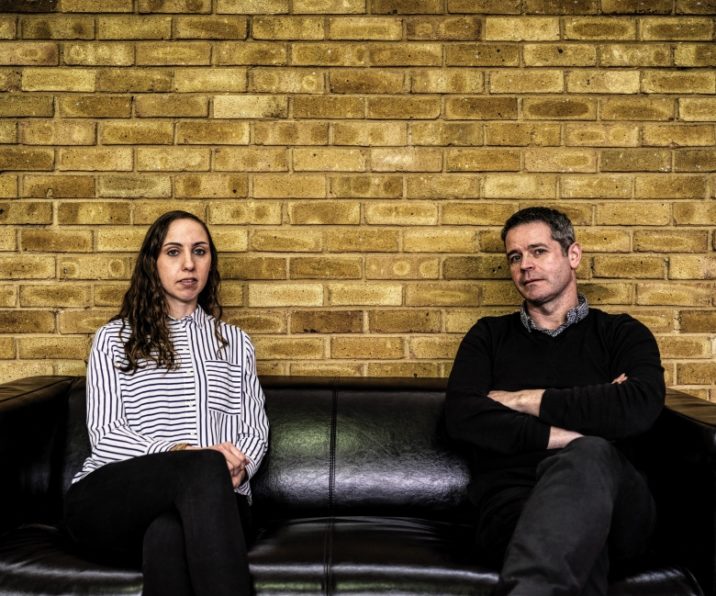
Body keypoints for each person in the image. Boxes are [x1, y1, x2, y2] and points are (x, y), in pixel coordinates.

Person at [445, 206, 665, 595]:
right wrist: (580, 428)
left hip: (616, 503)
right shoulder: (488, 337)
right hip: (514, 502)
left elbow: (636, 406)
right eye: (515, 257)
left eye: (538, 251)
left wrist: (523, 400)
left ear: (572, 255)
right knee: (572, 529)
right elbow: (463, 416)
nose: (525, 266)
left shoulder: (621, 334)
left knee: (591, 458)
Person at [64, 210, 269, 596]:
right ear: (152, 263)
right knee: (201, 464)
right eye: (174, 252)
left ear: (210, 263)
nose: (189, 264)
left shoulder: (236, 343)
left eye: (200, 251)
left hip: (218, 502)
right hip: (114, 500)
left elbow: (254, 428)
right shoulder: (114, 339)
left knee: (168, 535)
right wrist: (182, 454)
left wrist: (240, 470)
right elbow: (106, 435)